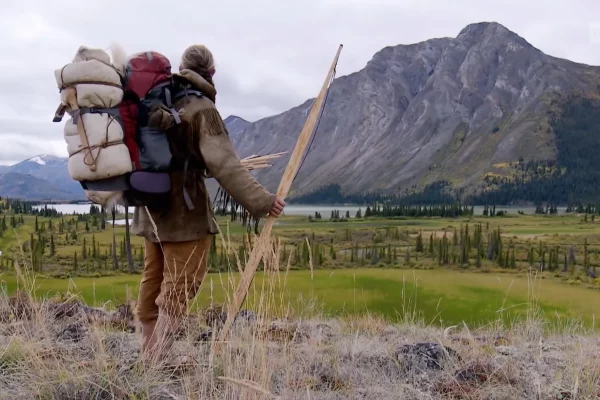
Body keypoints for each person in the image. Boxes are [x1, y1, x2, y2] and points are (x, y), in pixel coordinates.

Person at [131, 44, 285, 364]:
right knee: (178, 290)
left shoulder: (156, 101)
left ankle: (148, 356)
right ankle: (156, 364)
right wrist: (262, 202)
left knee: (153, 282)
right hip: (185, 215)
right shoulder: (202, 109)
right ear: (211, 73)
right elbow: (226, 166)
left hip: (150, 210)